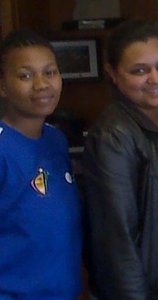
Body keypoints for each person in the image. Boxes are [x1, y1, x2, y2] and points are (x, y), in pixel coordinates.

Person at [81, 20, 158, 299]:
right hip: (152, 292)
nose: (156, 78)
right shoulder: (113, 136)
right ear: (113, 73)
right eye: (139, 71)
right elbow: (117, 245)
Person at [0, 29, 82, 299]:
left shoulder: (56, 140)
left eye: (50, 72)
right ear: (2, 85)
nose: (41, 84)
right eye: (25, 75)